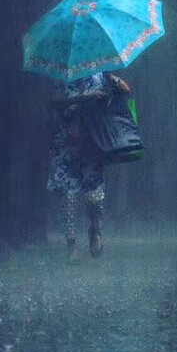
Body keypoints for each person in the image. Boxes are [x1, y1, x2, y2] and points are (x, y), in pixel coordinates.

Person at [47, 71, 130, 260]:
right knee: (69, 196)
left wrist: (113, 80)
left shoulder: (101, 73)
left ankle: (95, 230)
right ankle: (72, 246)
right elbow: (55, 102)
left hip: (93, 141)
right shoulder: (62, 74)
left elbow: (126, 91)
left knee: (95, 195)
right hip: (67, 143)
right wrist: (85, 98)